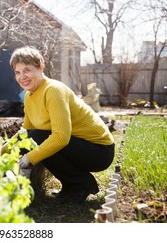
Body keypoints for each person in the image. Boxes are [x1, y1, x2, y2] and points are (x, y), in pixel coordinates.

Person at [10, 46, 115, 203]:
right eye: (18, 72)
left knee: (39, 138)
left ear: (41, 67)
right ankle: (71, 185)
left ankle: (81, 184)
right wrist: (1, 151)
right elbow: (26, 132)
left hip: (99, 150)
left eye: (27, 70)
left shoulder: (53, 90)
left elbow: (61, 137)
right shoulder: (29, 96)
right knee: (34, 137)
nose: (22, 76)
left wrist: (30, 157)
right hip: (80, 146)